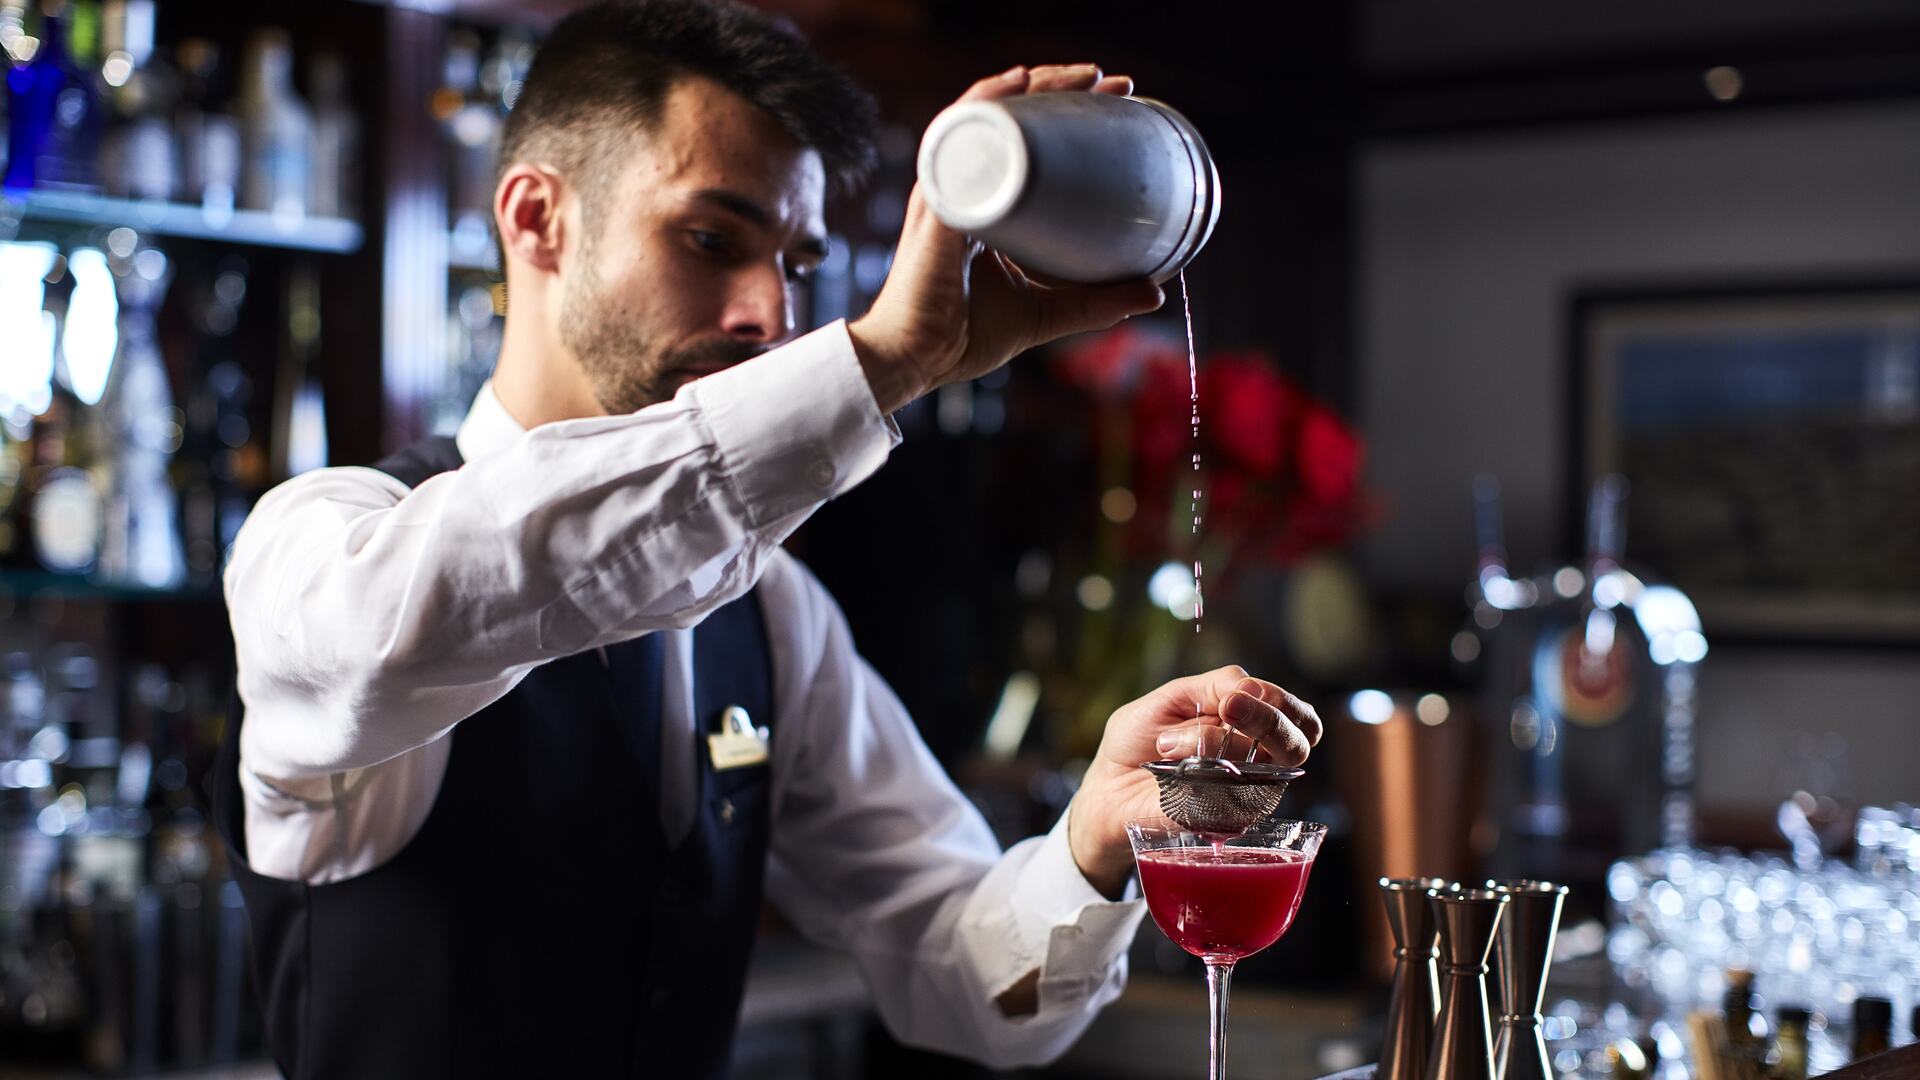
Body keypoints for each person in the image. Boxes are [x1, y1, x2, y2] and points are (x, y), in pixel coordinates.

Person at [212, 1, 1323, 1077]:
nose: (770, 316)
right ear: (535, 218)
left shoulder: (771, 610)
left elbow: (964, 976)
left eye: (796, 264)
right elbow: (457, 591)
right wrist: (884, 362)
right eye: (710, 237)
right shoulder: (321, 544)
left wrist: (1093, 836)